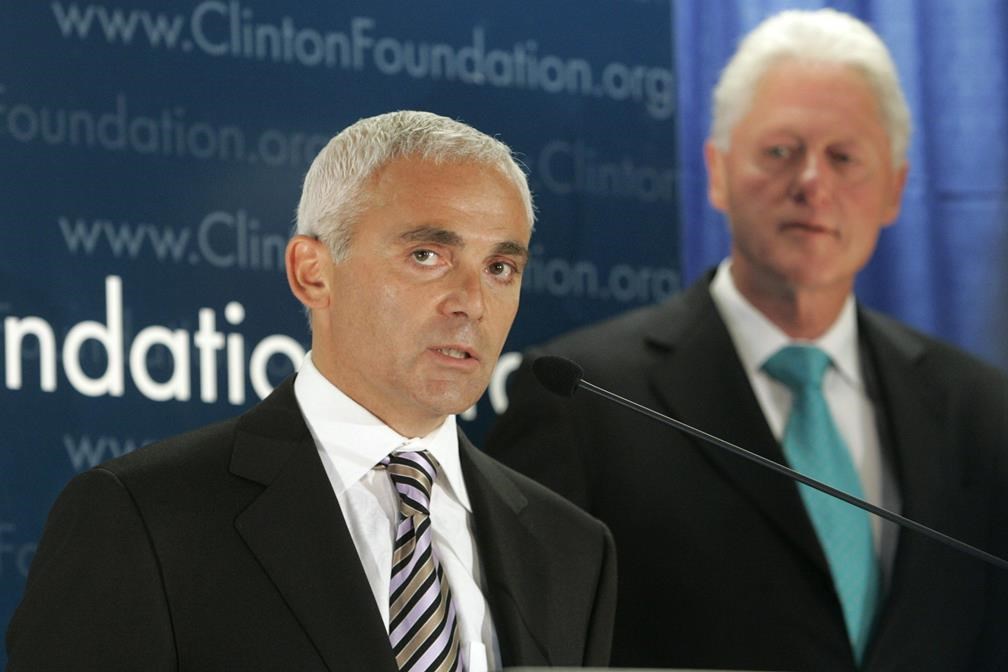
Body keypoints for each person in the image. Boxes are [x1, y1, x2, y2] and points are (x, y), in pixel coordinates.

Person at [486, 9, 1008, 672]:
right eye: (780, 151)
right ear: (716, 172)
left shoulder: (976, 404)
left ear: (894, 189)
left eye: (845, 157)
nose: (811, 183)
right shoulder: (584, 399)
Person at [6, 111, 616, 671]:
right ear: (312, 273)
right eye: (427, 255)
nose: (473, 304)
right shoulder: (144, 517)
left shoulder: (570, 550)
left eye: (500, 268)